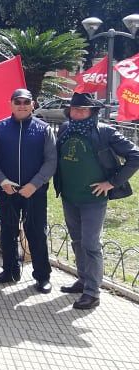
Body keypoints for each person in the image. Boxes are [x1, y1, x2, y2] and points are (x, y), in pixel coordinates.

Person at [54, 92, 139, 309]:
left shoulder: (104, 132)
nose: (78, 112)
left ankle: (92, 292)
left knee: (91, 244)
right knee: (76, 241)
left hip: (94, 199)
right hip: (69, 196)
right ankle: (83, 280)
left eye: (83, 109)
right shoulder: (65, 129)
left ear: (92, 111)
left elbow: (135, 155)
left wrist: (112, 182)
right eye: (75, 108)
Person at [0, 88, 57, 293]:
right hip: (7, 190)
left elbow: (51, 160)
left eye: (26, 102)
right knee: (7, 232)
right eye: (18, 102)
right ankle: (9, 270)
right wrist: (3, 181)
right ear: (11, 104)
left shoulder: (43, 129)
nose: (22, 105)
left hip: (35, 191)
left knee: (36, 233)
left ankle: (42, 276)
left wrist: (35, 184)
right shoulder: (0, 128)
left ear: (32, 104)